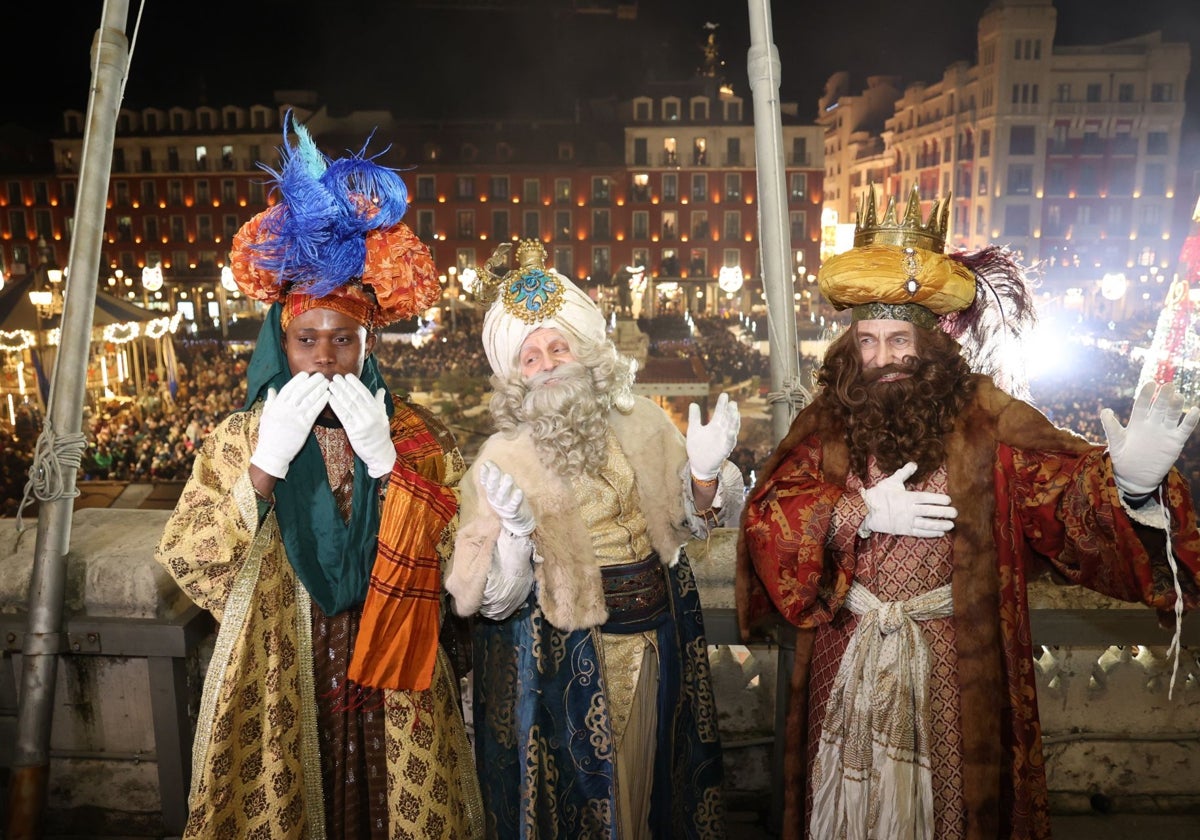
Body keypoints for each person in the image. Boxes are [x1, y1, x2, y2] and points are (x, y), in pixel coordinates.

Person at [737, 187, 1200, 840]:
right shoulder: (825, 423)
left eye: (899, 338)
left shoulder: (989, 418)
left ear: (931, 342)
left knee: (951, 810)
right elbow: (769, 517)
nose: (882, 359)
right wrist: (854, 511)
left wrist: (1127, 484)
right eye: (865, 341)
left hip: (955, 660)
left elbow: (1062, 499)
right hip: (846, 656)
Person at [156, 118, 483, 839]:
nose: (327, 358)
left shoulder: (418, 433)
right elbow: (190, 559)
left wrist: (388, 466)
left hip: (393, 662)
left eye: (345, 340)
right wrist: (264, 469)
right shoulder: (241, 436)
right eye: (309, 341)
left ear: (369, 346)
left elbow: (464, 559)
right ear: (283, 339)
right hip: (280, 665)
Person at [446, 240, 740, 839]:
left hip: (658, 640)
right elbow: (485, 598)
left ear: (585, 352)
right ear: (514, 374)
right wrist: (515, 541)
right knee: (588, 807)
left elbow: (688, 522)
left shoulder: (644, 421)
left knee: (652, 787)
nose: (549, 363)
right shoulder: (498, 458)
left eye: (560, 347)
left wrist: (704, 477)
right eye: (531, 357)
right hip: (562, 665)